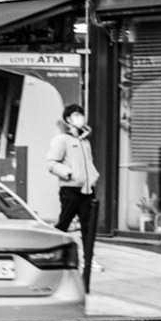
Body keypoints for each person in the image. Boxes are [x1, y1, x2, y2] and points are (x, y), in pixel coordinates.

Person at [46, 103, 100, 290]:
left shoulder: (85, 141)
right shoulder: (62, 140)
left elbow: (88, 164)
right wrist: (67, 173)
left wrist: (93, 177)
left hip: (87, 189)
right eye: (76, 115)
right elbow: (51, 162)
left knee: (88, 228)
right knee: (63, 225)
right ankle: (52, 255)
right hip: (70, 189)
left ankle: (88, 260)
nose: (80, 118)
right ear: (68, 119)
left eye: (81, 115)